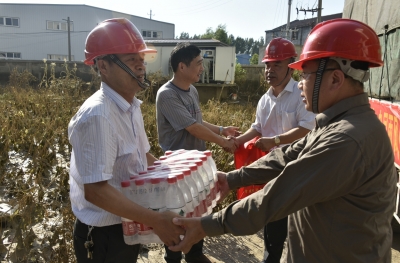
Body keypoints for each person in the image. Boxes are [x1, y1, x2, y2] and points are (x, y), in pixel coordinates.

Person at [169, 18, 397, 263]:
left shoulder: (347, 139)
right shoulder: (335, 124)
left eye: (306, 75)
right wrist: (232, 179)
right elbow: (286, 155)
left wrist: (207, 225)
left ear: (335, 80)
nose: (300, 85)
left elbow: (278, 195)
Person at [68, 18, 184, 263]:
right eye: (131, 59)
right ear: (104, 66)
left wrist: (176, 175)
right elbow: (97, 192)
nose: (140, 66)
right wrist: (155, 220)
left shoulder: (130, 106)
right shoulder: (98, 116)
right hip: (103, 235)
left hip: (126, 224)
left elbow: (141, 156)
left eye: (141, 59)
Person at [156, 43, 240, 263]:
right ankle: (173, 257)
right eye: (199, 63)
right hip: (178, 169)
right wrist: (222, 141)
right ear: (182, 67)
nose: (203, 68)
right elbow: (192, 127)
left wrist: (222, 130)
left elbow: (197, 121)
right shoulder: (166, 95)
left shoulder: (191, 90)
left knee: (199, 212)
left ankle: (195, 255)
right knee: (177, 218)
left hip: (196, 166)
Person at [234, 37, 315, 263]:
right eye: (268, 65)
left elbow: (307, 128)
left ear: (291, 65)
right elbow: (257, 127)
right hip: (272, 171)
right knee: (273, 223)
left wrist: (275, 140)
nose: (270, 70)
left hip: (298, 169)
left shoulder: (300, 94)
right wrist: (237, 141)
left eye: (277, 65)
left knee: (299, 225)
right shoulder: (264, 99)